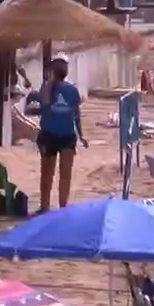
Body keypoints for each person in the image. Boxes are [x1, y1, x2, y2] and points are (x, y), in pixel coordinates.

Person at [36, 57, 87, 213]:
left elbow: (42, 109)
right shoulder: (72, 90)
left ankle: (44, 207)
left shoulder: (46, 89)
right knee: (65, 176)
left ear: (51, 72)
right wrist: (81, 134)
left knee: (46, 175)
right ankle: (63, 209)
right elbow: (76, 114)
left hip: (49, 135)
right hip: (67, 135)